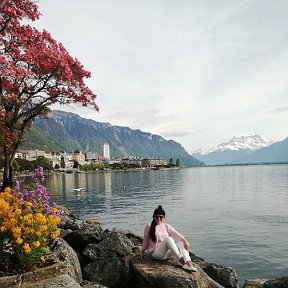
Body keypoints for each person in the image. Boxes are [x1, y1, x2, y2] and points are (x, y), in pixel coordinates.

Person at [140, 205, 197, 272]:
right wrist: (142, 251)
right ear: (153, 217)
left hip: (166, 255)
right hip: (156, 253)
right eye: (156, 216)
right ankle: (182, 260)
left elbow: (177, 235)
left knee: (181, 243)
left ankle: (188, 263)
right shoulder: (149, 226)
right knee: (168, 239)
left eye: (161, 217)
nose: (159, 218)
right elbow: (146, 241)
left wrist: (185, 241)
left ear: (164, 218)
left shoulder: (166, 226)